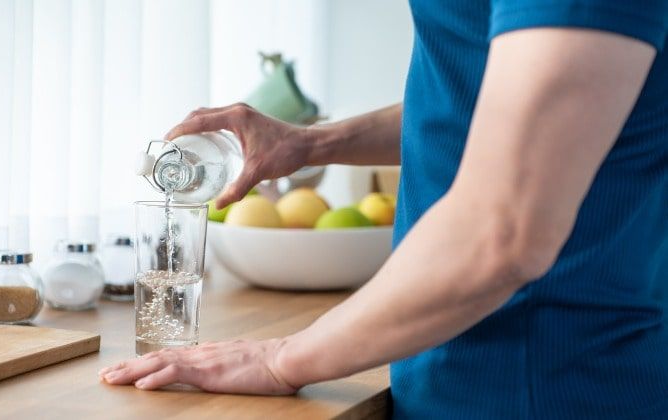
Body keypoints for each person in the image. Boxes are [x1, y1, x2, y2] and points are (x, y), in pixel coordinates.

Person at [100, 1, 668, 418]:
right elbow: (491, 106)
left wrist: (282, 359)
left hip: (545, 385)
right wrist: (311, 143)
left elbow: (502, 232)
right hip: (457, 374)